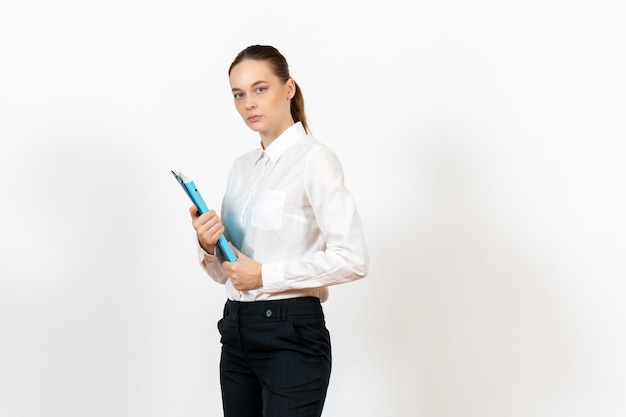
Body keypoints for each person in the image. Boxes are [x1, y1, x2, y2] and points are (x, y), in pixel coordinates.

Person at [189, 44, 369, 417]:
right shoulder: (241, 169)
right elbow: (231, 273)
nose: (248, 103)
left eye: (260, 88)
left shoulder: (314, 160)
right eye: (239, 94)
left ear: (288, 89)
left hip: (291, 334)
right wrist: (209, 247)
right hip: (236, 332)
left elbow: (353, 259)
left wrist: (265, 275)